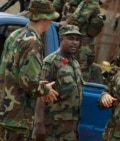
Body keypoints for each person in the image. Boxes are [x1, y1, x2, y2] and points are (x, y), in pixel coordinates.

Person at [0, 0, 59, 140]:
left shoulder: (15, 35)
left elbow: (11, 70)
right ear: (45, 18)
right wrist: (46, 90)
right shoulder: (33, 42)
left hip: (4, 111)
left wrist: (38, 84)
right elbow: (28, 82)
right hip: (16, 117)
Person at [33, 24, 84, 141]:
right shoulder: (51, 62)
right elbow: (40, 94)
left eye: (77, 39)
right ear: (61, 39)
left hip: (71, 129)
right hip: (53, 128)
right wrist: (39, 124)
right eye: (71, 39)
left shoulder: (75, 63)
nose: (75, 42)